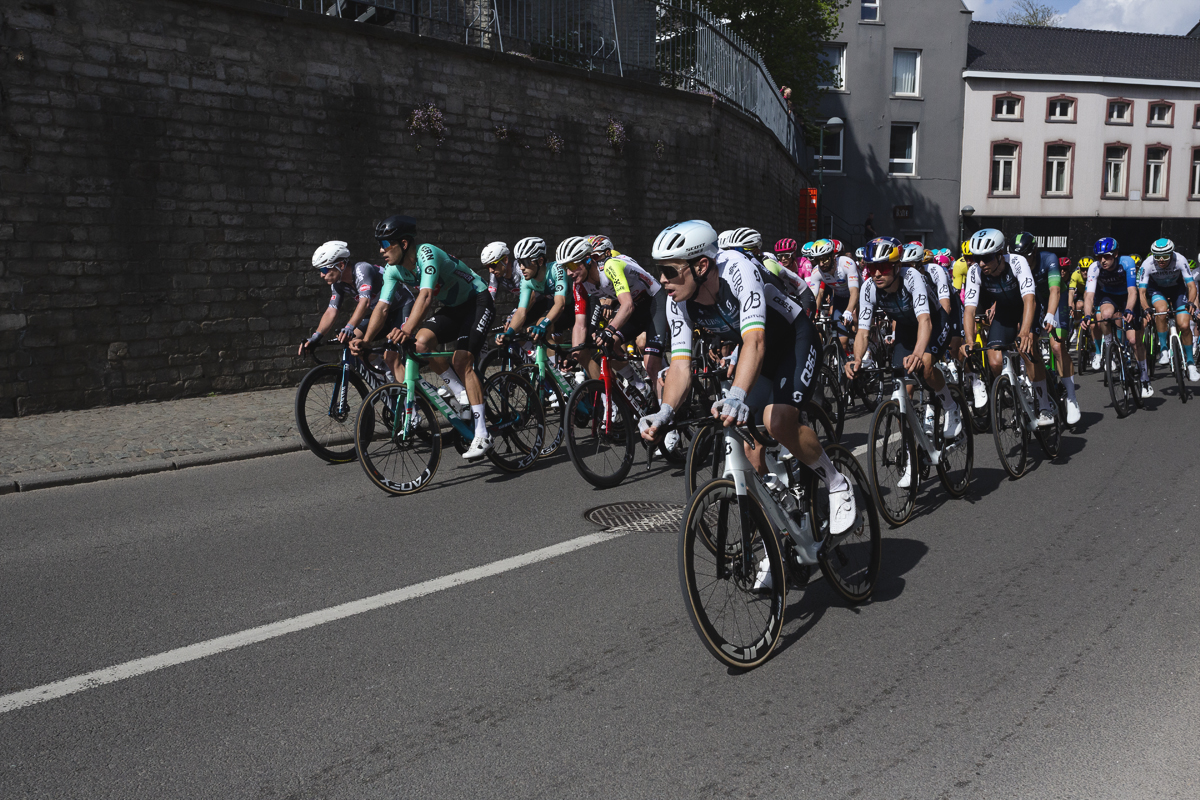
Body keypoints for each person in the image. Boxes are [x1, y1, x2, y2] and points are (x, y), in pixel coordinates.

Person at [638, 219, 858, 590]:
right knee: (750, 453)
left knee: (776, 419)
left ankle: (837, 483)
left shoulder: (738, 269)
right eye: (660, 271)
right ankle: (782, 540)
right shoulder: (679, 302)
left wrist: (738, 396)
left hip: (792, 340)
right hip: (756, 354)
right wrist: (664, 412)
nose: (663, 281)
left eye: (670, 271)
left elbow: (755, 341)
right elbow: (680, 366)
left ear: (701, 265)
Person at [351, 214, 496, 459]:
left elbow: (426, 295)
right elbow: (382, 307)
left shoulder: (426, 254)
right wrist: (366, 340)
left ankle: (483, 434)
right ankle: (459, 391)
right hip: (453, 308)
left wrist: (406, 329)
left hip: (478, 301)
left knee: (462, 360)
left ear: (404, 243)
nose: (381, 250)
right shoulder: (393, 270)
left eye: (386, 244)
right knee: (421, 343)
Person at [851, 239, 961, 488]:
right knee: (902, 395)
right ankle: (912, 456)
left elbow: (925, 322)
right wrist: (856, 359)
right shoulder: (869, 288)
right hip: (905, 329)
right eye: (871, 268)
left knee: (926, 365)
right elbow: (863, 332)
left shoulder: (912, 278)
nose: (876, 273)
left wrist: (918, 354)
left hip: (934, 322)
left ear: (897, 266)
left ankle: (950, 404)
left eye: (883, 267)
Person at [960, 228, 1057, 426]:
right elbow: (969, 310)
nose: (981, 263)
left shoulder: (1017, 262)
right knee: (995, 362)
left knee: (1027, 350)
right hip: (1005, 311)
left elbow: (1029, 299)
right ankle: (1017, 393)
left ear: (999, 254)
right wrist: (969, 341)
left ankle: (1044, 406)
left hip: (1027, 307)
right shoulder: (975, 272)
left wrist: (1025, 332)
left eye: (986, 258)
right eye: (977, 258)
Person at [1009, 232, 1081, 424]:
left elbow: (1055, 290)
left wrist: (1050, 313)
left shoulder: (1049, 259)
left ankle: (1071, 397)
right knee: (1027, 345)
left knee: (1057, 347)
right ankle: (1041, 391)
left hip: (1056, 299)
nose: (1020, 261)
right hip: (1033, 302)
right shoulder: (1014, 265)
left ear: (1034, 252)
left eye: (1025, 256)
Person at [1082, 237, 1150, 398]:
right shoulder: (1094, 267)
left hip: (1127, 297)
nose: (1102, 260)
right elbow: (1089, 296)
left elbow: (1133, 291)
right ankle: (1109, 347)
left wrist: (1129, 310)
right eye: (1099, 257)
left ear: (1116, 254)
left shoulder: (1127, 263)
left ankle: (1144, 377)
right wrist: (1086, 315)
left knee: (1133, 341)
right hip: (1108, 297)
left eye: (1106, 256)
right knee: (1105, 315)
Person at [1138, 237, 1199, 381]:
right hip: (1157, 290)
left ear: (1172, 254)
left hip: (1177, 290)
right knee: (1161, 310)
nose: (1161, 260)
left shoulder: (1180, 260)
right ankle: (1164, 349)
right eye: (1157, 256)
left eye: (1165, 256)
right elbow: (1141, 292)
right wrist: (1146, 308)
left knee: (1184, 325)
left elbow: (1191, 286)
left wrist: (1191, 302)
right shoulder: (1147, 264)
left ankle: (1191, 364)